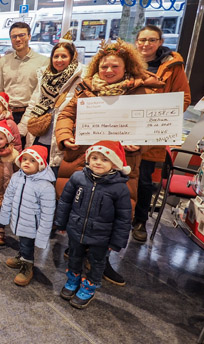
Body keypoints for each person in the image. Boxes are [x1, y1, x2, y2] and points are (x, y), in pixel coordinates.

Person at [54, 39, 164, 285]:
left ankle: (99, 261)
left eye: (115, 66)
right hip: (85, 159)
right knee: (80, 208)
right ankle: (76, 252)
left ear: (126, 67)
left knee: (111, 215)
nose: (108, 71)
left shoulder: (140, 92)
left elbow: (152, 127)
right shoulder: (86, 88)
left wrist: (140, 143)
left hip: (120, 166)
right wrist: (65, 135)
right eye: (104, 66)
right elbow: (66, 115)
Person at [55, 141, 132, 309]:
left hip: (102, 236)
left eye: (104, 159)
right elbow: (65, 202)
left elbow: (124, 218)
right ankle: (73, 279)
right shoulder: (78, 178)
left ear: (114, 164)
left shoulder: (119, 188)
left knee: (97, 262)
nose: (98, 162)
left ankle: (89, 286)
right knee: (74, 255)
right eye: (94, 158)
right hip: (77, 228)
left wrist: (116, 241)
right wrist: (61, 222)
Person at [132, 26, 191, 242]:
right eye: (142, 40)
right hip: (126, 130)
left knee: (145, 181)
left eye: (151, 40)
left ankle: (139, 221)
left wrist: (160, 118)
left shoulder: (172, 66)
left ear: (160, 41)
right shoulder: (128, 63)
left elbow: (183, 98)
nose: (146, 44)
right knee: (122, 177)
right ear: (136, 41)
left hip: (151, 133)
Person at [19, 41, 84, 177]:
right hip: (40, 132)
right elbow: (33, 104)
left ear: (72, 57)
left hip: (61, 136)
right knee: (35, 174)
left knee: (55, 175)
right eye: (56, 56)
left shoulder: (80, 79)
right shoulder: (44, 76)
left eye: (63, 56)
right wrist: (21, 131)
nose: (59, 60)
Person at [0, 146, 55, 287]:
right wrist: (4, 216)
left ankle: (27, 265)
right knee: (22, 241)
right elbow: (9, 196)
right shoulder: (17, 177)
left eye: (32, 160)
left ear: (40, 164)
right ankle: (22, 256)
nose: (26, 163)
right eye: (24, 159)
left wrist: (42, 235)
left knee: (27, 244)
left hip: (32, 224)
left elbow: (48, 213)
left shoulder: (45, 186)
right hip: (19, 219)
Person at [0, 22, 49, 145]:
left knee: (27, 154)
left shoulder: (43, 61)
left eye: (22, 35)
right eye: (14, 36)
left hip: (31, 114)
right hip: (7, 114)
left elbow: (42, 94)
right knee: (7, 153)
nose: (18, 39)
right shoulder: (4, 60)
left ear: (29, 36)